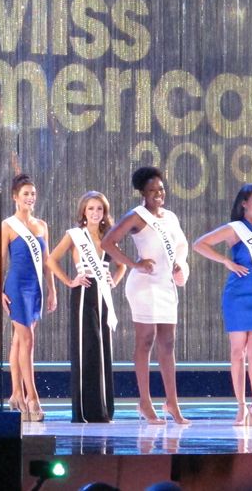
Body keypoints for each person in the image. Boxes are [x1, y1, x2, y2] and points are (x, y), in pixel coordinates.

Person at [101, 167, 190, 425]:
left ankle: (172, 402)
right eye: (152, 190)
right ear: (142, 193)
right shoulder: (137, 216)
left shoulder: (171, 217)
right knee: (146, 340)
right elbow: (108, 242)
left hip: (165, 283)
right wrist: (134, 264)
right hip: (144, 284)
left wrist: (179, 265)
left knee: (168, 343)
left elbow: (181, 246)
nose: (158, 194)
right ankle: (144, 401)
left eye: (160, 189)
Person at [193, 183, 252, 427]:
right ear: (244, 203)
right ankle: (241, 407)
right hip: (237, 297)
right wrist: (226, 261)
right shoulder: (234, 229)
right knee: (237, 351)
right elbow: (199, 244)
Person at [46, 191, 126, 423]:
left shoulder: (109, 237)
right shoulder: (74, 235)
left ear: (104, 213)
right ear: (83, 211)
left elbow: (121, 266)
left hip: (102, 296)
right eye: (91, 208)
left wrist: (115, 281)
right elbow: (51, 260)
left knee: (103, 350)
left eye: (99, 209)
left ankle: (102, 409)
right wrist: (70, 281)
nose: (95, 213)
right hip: (83, 293)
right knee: (87, 350)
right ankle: (85, 411)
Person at [0, 174, 56, 421]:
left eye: (33, 194)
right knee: (27, 339)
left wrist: (52, 289)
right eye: (25, 194)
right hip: (15, 287)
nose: (30, 198)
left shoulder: (42, 226)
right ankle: (32, 397)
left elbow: (47, 262)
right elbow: (1, 259)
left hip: (36, 288)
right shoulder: (8, 225)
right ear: (15, 197)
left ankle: (15, 396)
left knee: (19, 342)